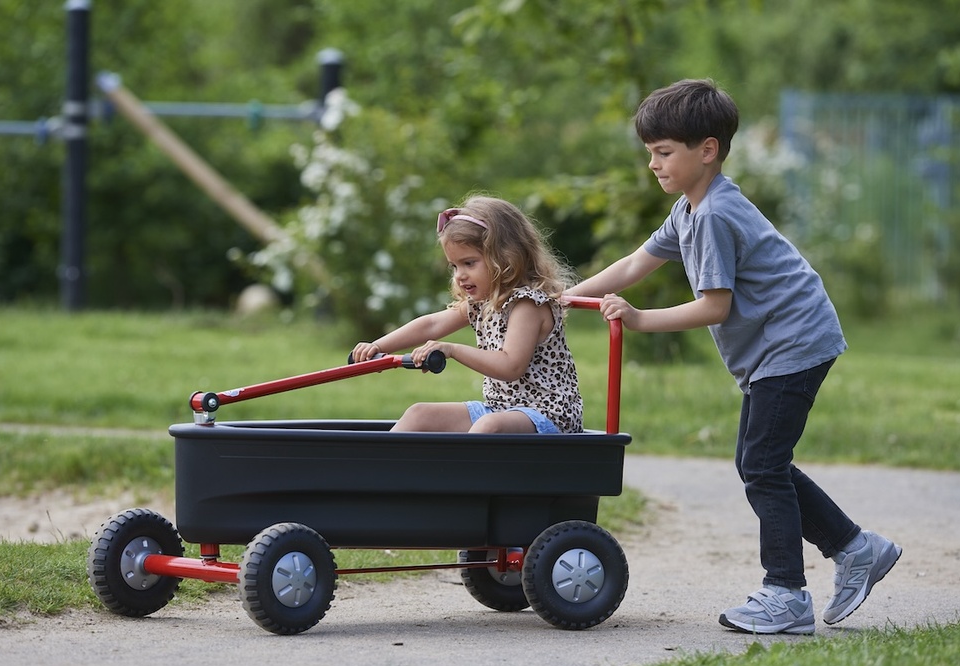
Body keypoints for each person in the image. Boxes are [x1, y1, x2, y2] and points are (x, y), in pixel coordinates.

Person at [565, 79, 901, 634]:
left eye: (663, 152)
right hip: (781, 345)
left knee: (762, 466)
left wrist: (641, 319)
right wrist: (562, 299)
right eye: (650, 152)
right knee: (762, 463)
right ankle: (855, 548)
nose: (653, 164)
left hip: (793, 343)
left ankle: (786, 594)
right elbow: (633, 265)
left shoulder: (715, 214)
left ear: (707, 150)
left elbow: (714, 306)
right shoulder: (689, 209)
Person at [351, 195, 583, 435]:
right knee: (419, 414)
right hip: (500, 408)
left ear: (505, 256)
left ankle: (458, 462)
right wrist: (378, 346)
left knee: (488, 426)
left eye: (469, 263)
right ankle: (384, 460)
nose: (459, 275)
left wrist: (453, 350)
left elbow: (511, 366)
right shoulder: (482, 302)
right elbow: (431, 324)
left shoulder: (527, 305)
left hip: (548, 415)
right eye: (454, 266)